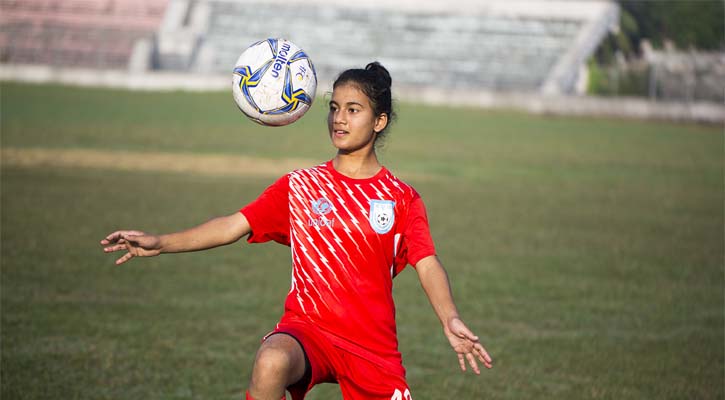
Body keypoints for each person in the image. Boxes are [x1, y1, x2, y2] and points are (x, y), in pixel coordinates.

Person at [100, 62, 492, 400]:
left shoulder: (401, 198)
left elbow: (427, 262)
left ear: (379, 121)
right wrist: (160, 242)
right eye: (335, 108)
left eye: (353, 110)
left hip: (372, 347)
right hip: (309, 330)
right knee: (271, 360)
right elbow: (233, 225)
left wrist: (449, 318)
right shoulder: (301, 186)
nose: (339, 118)